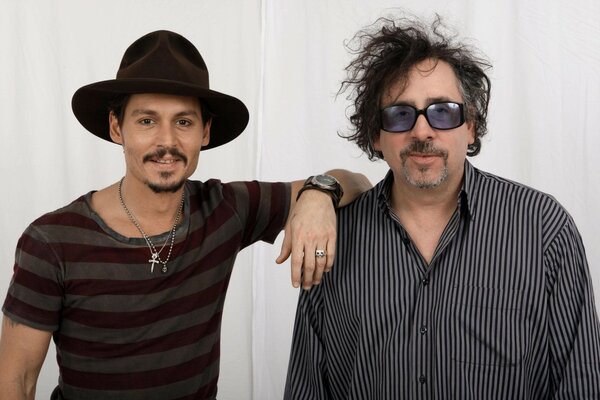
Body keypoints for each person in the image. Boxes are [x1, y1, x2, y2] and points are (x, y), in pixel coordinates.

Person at [0, 30, 370, 400]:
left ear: (205, 132)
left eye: (183, 122)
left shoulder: (225, 208)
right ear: (116, 127)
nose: (167, 142)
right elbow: (16, 381)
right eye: (147, 121)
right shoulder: (52, 241)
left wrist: (319, 194)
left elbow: (357, 182)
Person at [285, 15, 600, 399]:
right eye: (400, 114)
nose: (422, 131)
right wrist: (318, 193)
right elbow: (307, 388)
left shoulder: (543, 228)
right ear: (375, 135)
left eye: (443, 111)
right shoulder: (330, 236)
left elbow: (580, 382)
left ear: (470, 126)